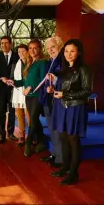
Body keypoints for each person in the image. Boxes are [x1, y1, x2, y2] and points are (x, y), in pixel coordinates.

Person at [48, 39, 92, 185]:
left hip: (75, 108)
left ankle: (74, 173)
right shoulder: (64, 69)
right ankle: (65, 167)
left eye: (72, 51)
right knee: (64, 139)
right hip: (62, 107)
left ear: (78, 52)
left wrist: (65, 95)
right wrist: (53, 90)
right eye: (66, 51)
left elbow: (87, 91)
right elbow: (63, 88)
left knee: (73, 140)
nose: (69, 54)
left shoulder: (84, 69)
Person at [8, 39, 46, 157]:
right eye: (30, 48)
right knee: (35, 120)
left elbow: (44, 80)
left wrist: (30, 87)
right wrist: (13, 81)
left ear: (40, 48)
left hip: (37, 96)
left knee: (33, 120)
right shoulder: (30, 63)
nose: (33, 50)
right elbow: (25, 81)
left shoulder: (43, 62)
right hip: (28, 97)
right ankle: (41, 141)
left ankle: (28, 143)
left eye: (35, 48)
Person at [39, 36, 64, 167]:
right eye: (48, 48)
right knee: (52, 130)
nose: (50, 50)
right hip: (48, 101)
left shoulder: (63, 61)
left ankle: (60, 159)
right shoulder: (51, 61)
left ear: (59, 45)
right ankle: (54, 154)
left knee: (57, 132)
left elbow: (65, 81)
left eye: (52, 47)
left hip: (57, 102)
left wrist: (54, 81)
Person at [0, 36, 19, 144]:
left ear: (11, 44)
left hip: (14, 88)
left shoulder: (17, 56)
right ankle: (2, 134)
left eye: (6, 43)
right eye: (2, 43)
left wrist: (13, 80)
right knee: (1, 112)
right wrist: (1, 78)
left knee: (12, 112)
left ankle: (11, 133)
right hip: (2, 88)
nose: (3, 45)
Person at [10, 44, 30, 147]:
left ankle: (32, 136)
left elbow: (27, 80)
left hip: (28, 92)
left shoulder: (31, 63)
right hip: (18, 93)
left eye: (23, 51)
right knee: (19, 116)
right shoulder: (16, 64)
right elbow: (13, 77)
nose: (21, 54)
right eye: (19, 52)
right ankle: (21, 136)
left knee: (29, 116)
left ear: (27, 51)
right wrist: (10, 81)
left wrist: (16, 82)